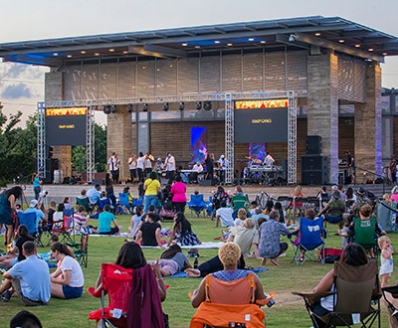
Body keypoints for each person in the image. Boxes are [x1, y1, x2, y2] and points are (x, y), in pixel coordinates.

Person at [93, 241, 166, 327]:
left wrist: (102, 274)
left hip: (115, 318)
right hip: (139, 318)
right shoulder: (144, 275)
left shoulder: (114, 275)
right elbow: (162, 296)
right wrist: (157, 271)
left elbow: (98, 293)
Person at [309, 243, 375, 328]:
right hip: (361, 313)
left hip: (335, 315)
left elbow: (316, 292)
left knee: (313, 302)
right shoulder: (370, 273)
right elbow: (376, 293)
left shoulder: (337, 272)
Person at [190, 242, 266, 307]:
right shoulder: (251, 277)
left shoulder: (209, 279)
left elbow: (195, 303)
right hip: (244, 318)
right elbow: (262, 300)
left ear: (220, 257)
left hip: (217, 319)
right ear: (238, 257)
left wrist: (195, 293)